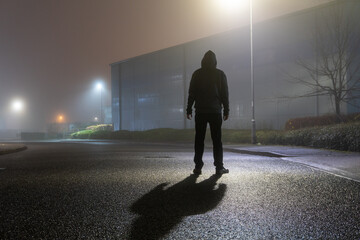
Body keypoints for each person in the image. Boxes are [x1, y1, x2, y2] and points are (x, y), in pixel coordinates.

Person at [186, 50, 230, 175]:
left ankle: (198, 167)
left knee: (199, 139)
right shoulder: (220, 74)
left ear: (203, 60)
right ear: (215, 61)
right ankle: (219, 167)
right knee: (217, 140)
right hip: (215, 111)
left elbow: (192, 93)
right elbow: (224, 94)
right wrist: (226, 110)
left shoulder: (197, 74)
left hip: (200, 111)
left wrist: (189, 109)